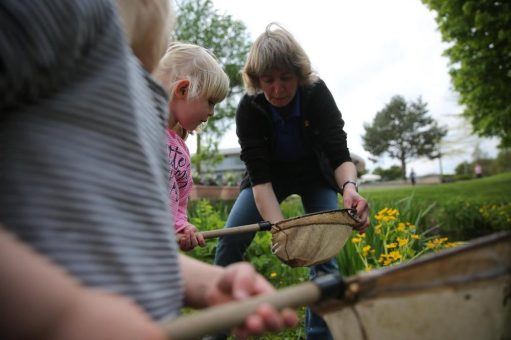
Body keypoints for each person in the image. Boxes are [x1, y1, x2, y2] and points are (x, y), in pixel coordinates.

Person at [0, 1, 297, 339]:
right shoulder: (69, 12)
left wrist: (207, 283)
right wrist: (64, 313)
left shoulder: (141, 102)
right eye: (211, 104)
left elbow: (117, 242)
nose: (212, 113)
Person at [214, 23, 370, 339]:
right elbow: (259, 181)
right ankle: (216, 328)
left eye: (286, 78)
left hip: (316, 176)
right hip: (269, 180)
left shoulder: (317, 93)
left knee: (323, 255)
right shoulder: (249, 108)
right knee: (228, 241)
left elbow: (339, 154)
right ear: (256, 81)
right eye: (268, 80)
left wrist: (349, 188)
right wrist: (282, 229)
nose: (278, 89)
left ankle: (319, 334)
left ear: (298, 74)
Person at [153, 42, 229, 251]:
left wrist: (181, 228)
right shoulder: (136, 130)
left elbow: (178, 202)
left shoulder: (180, 150)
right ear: (183, 90)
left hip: (159, 251)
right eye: (210, 102)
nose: (212, 112)